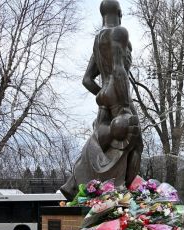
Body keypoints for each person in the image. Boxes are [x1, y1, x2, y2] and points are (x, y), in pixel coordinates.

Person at [60, 0, 143, 200]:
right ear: (120, 12)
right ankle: (124, 192)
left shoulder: (98, 40)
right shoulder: (119, 32)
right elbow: (118, 69)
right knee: (135, 141)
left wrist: (103, 95)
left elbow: (87, 80)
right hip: (118, 92)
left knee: (102, 141)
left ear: (102, 14)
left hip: (105, 95)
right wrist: (123, 106)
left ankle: (74, 184)